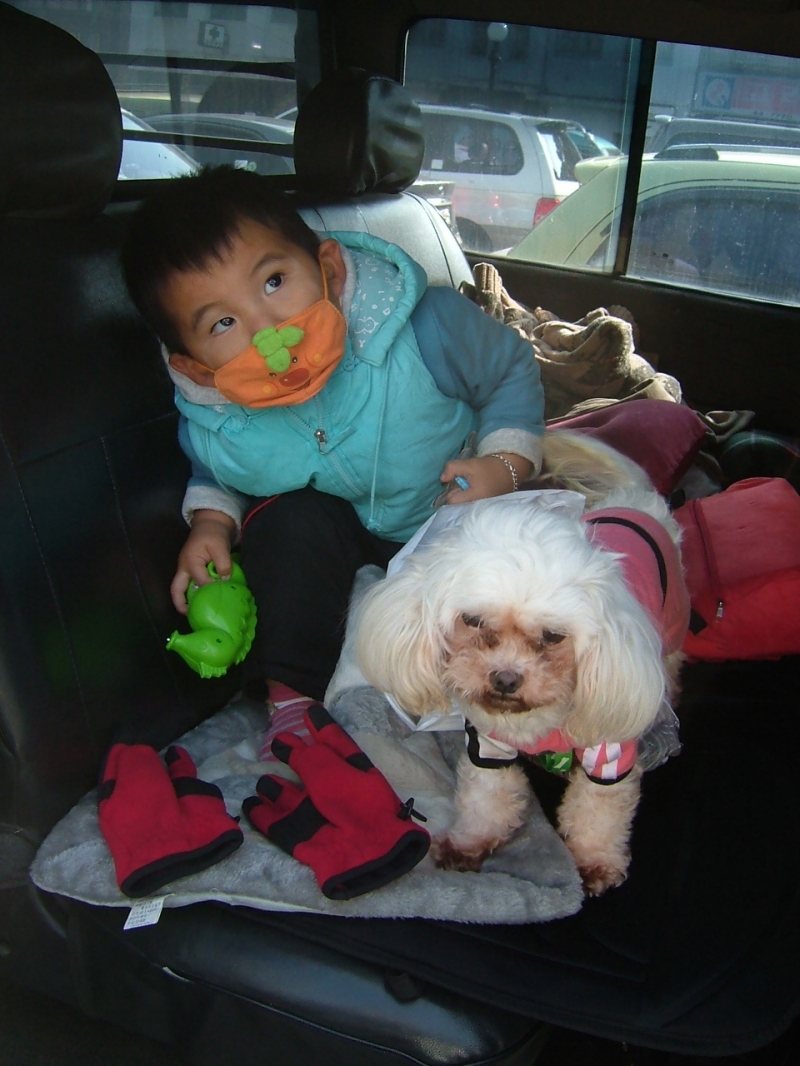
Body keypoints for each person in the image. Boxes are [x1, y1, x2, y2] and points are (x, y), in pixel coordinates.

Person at [122, 165, 545, 756]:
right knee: (285, 521)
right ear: (197, 368)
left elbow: (509, 372)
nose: (270, 330)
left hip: (458, 514)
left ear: (329, 269)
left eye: (274, 282)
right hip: (347, 540)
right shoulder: (221, 418)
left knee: (526, 567)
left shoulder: (426, 326)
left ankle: (517, 700)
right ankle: (292, 698)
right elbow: (217, 471)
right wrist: (212, 525)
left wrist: (505, 464)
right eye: (223, 323)